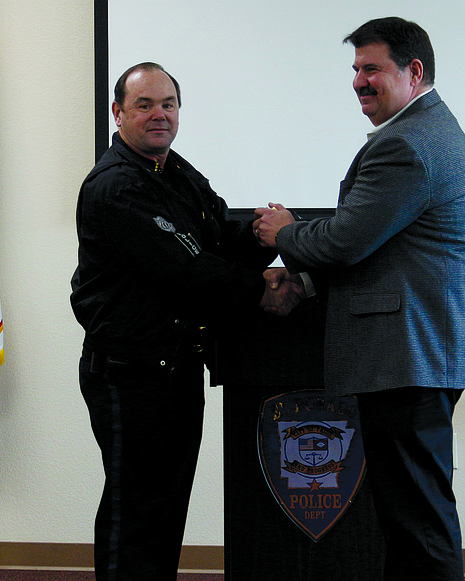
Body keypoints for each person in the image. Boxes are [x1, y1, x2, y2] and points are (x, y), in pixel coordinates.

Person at [254, 17, 465, 581]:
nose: (360, 82)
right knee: (409, 515)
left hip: (408, 356)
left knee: (418, 520)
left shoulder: (407, 144)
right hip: (415, 355)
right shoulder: (425, 129)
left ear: (413, 72)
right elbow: (381, 249)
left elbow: (345, 239)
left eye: (372, 69)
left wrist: (283, 233)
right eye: (355, 70)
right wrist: (308, 282)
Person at [70, 62, 303, 581]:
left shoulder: (173, 170)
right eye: (145, 105)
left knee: (166, 507)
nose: (160, 115)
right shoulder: (116, 186)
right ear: (117, 113)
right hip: (130, 375)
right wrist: (260, 288)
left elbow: (217, 235)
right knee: (136, 511)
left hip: (176, 368)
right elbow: (186, 267)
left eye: (168, 104)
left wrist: (268, 235)